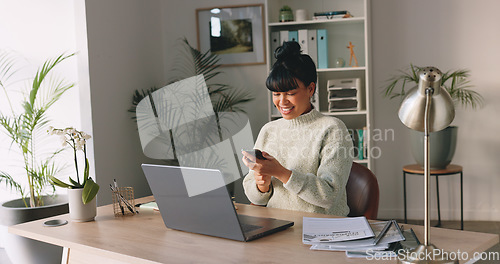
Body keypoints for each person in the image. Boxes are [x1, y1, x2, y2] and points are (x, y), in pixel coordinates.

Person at [242, 41, 353, 216]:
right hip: (276, 225)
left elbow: (329, 195)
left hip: (322, 229)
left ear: (310, 89)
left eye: (290, 93)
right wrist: (262, 185)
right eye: (276, 94)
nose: (282, 102)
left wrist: (281, 173)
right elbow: (255, 198)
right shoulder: (269, 130)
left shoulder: (333, 129)